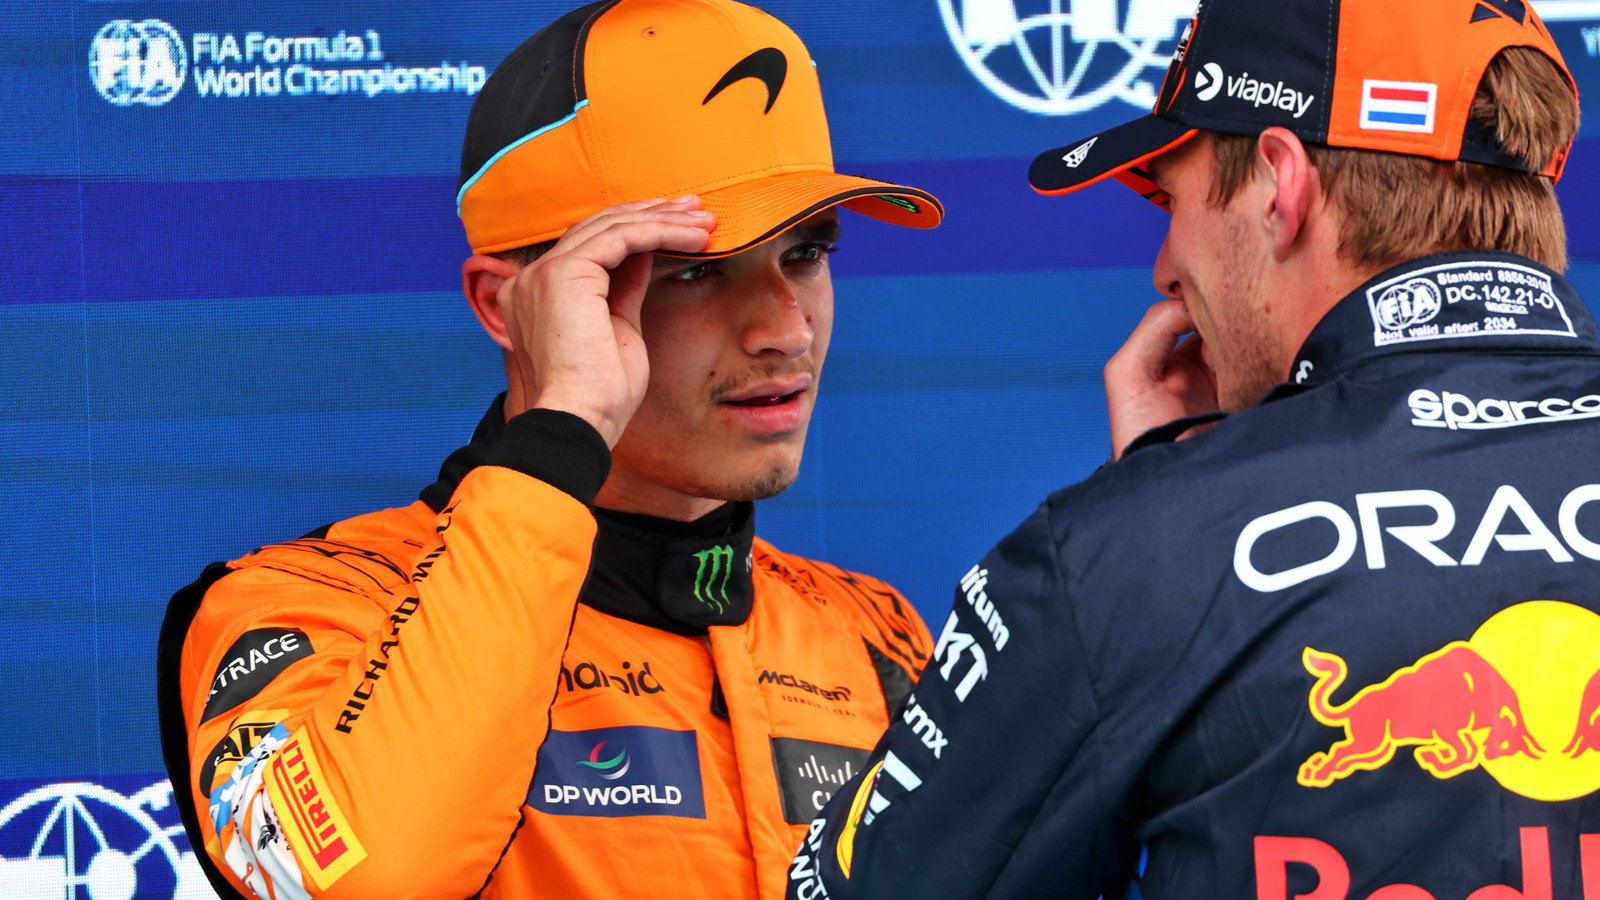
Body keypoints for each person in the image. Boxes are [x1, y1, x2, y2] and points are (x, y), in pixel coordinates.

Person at [789, 1, 1597, 898]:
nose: (1165, 268)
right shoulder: (1153, 542)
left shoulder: (1134, 549)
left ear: (1279, 188)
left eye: (1171, 199)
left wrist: (1159, 525)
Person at [155, 1, 945, 898]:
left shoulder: (874, 630)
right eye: (692, 269)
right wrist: (563, 429)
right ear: (506, 306)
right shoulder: (303, 608)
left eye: (806, 253)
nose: (786, 330)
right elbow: (365, 878)